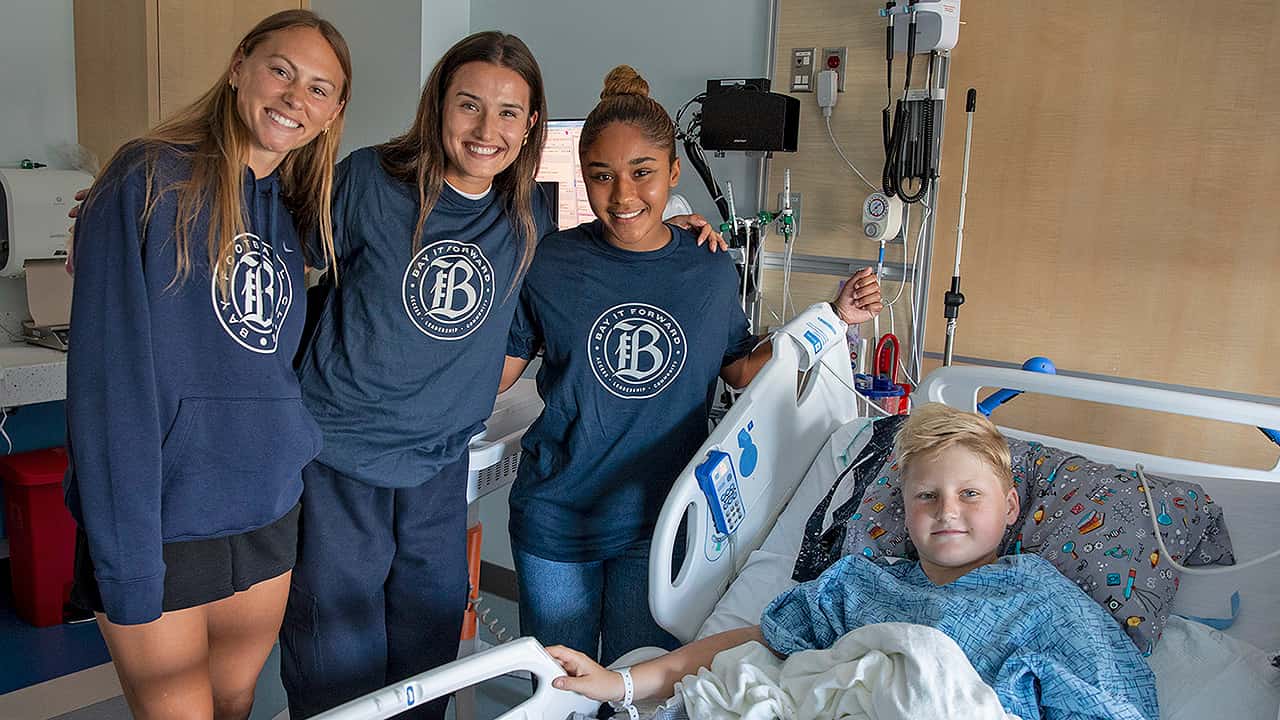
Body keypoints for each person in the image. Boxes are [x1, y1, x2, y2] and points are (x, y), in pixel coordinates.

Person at [280, 37, 722, 719]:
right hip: (342, 456)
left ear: (531, 125)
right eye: (469, 105)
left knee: (427, 648)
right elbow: (274, 254)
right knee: (336, 650)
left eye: (509, 112)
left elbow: (625, 227)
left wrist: (684, 231)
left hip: (438, 465)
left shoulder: (528, 214)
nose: (487, 129)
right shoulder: (369, 180)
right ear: (438, 105)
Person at [497, 65, 885, 667]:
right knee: (558, 689)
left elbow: (740, 367)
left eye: (642, 173)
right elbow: (500, 367)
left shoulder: (706, 268)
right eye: (601, 176)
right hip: (558, 517)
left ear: (673, 173)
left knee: (638, 688)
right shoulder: (552, 261)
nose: (622, 196)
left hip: (658, 523)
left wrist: (831, 318)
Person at [65, 10, 349, 719]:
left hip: (266, 508)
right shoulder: (147, 180)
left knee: (235, 701)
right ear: (238, 66)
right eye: (281, 71)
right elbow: (108, 389)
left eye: (319, 89)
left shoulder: (294, 212)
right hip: (162, 515)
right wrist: (127, 560)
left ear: (332, 113)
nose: (295, 98)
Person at [546, 404, 1160, 720]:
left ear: (1011, 508)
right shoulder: (861, 585)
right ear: (905, 509)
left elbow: (1113, 702)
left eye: (970, 494)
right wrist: (623, 683)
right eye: (927, 496)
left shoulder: (1041, 600)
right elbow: (757, 641)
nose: (947, 511)